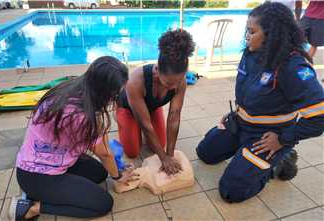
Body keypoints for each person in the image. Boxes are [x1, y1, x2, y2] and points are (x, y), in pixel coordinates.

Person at [196, 2, 324, 203]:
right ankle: (246, 155)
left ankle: (281, 159)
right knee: (205, 153)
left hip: (266, 137)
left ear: (271, 34)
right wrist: (235, 114)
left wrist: (283, 138)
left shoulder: (292, 66)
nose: (247, 36)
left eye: (252, 31)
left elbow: (319, 119)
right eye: (247, 30)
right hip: (241, 124)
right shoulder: (251, 53)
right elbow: (250, 93)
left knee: (231, 191)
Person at [9, 56, 138, 221]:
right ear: (104, 93)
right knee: (103, 203)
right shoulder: (81, 115)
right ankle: (31, 208)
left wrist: (114, 168)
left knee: (99, 173)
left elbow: (103, 145)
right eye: (115, 94)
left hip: (49, 159)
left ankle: (44, 193)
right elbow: (104, 153)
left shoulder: (76, 88)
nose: (117, 98)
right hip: (36, 176)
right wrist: (118, 177)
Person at [116, 29, 195, 175]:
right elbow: (145, 125)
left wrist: (169, 154)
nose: (173, 87)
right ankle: (125, 125)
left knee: (160, 144)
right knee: (132, 152)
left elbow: (174, 117)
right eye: (168, 84)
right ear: (157, 71)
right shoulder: (135, 82)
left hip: (151, 107)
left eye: (177, 82)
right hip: (127, 108)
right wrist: (163, 158)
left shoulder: (180, 82)